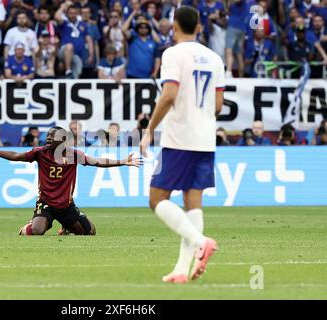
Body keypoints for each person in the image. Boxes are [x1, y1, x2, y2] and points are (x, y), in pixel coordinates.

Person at [139, 6, 225, 284]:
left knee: (156, 199)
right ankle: (181, 270)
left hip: (180, 138)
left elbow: (169, 95)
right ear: (199, 26)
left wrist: (149, 130)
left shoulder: (172, 54)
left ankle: (201, 242)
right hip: (205, 138)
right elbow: (219, 105)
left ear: (173, 26)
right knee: (192, 203)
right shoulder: (214, 58)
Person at [0, 126, 142, 236]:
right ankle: (28, 226)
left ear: (62, 141)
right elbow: (16, 156)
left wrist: (123, 161)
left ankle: (66, 226)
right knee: (37, 231)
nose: (48, 139)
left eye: (52, 137)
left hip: (66, 205)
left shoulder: (74, 155)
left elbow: (97, 161)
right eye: (47, 136)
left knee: (90, 232)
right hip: (46, 203)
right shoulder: (39, 152)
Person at [55, 1, 94, 79]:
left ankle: (70, 79)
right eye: (70, 13)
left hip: (76, 55)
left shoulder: (83, 24)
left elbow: (89, 40)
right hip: (64, 51)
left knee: (77, 74)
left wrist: (91, 55)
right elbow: (57, 17)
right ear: (67, 14)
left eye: (74, 13)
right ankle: (68, 70)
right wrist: (63, 7)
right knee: (69, 46)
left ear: (77, 14)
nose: (72, 15)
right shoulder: (64, 23)